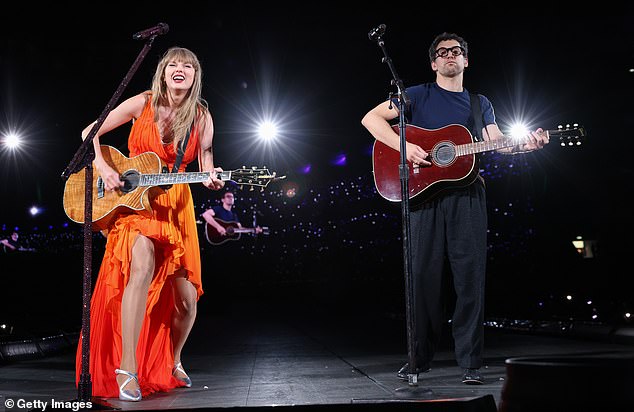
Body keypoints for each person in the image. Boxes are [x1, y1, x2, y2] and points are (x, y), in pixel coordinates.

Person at [361, 32, 549, 385]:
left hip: (468, 196)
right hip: (422, 196)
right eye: (442, 52)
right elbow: (371, 120)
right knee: (423, 280)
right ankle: (417, 360)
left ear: (466, 60)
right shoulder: (415, 95)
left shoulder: (480, 104)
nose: (450, 55)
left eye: (457, 51)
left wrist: (526, 146)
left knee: (470, 278)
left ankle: (471, 363)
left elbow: (497, 144)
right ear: (433, 62)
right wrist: (404, 148)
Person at [75, 46, 225, 401]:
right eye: (173, 64)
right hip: (136, 205)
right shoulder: (142, 102)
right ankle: (127, 368)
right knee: (140, 268)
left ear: (194, 76)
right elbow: (88, 132)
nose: (180, 69)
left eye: (188, 66)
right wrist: (104, 167)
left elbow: (206, 161)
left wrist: (212, 176)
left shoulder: (201, 116)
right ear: (162, 71)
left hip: (175, 206)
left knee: (187, 300)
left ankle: (173, 359)